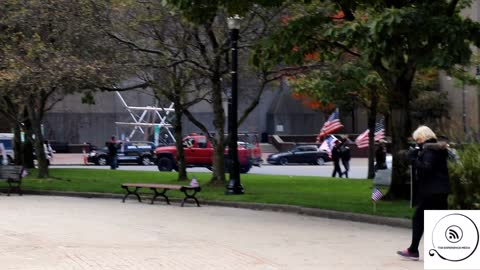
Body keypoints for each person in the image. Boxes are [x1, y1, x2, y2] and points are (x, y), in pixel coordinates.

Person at [397, 125, 451, 261]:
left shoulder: (428, 150)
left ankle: (413, 250)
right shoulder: (439, 149)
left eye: (417, 140)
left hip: (431, 191)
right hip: (441, 189)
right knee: (439, 220)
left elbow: (427, 168)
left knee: (419, 219)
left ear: (422, 138)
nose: (417, 143)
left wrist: (413, 159)